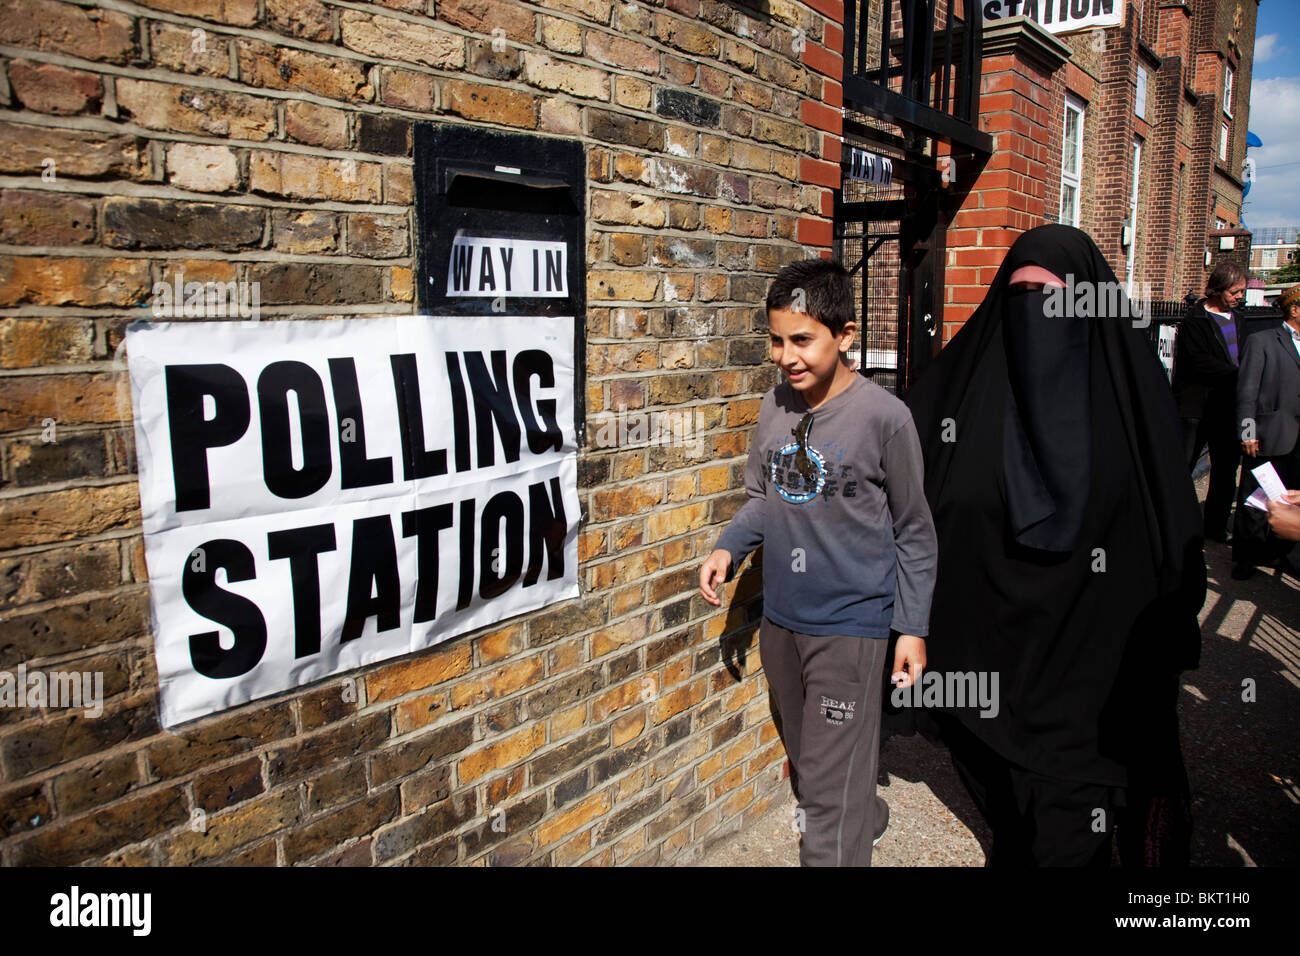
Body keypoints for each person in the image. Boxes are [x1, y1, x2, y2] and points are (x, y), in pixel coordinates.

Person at [905, 225, 1206, 866]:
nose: (1036, 315)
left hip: (1089, 681)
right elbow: (908, 511)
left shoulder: (1132, 410)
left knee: (1072, 832)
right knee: (1007, 802)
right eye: (1021, 297)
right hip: (988, 671)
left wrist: (1172, 633)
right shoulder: (962, 402)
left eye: (1055, 299)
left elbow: (1174, 530)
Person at [697, 258, 937, 867]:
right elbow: (763, 499)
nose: (786, 355)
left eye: (801, 339)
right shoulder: (775, 407)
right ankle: (866, 813)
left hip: (851, 628)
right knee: (815, 763)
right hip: (782, 622)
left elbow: (914, 529)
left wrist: (912, 627)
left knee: (827, 801)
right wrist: (730, 546)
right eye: (776, 340)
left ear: (846, 337)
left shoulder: (887, 418)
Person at [1171, 259, 1248, 542]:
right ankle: (1174, 522)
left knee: (1226, 470)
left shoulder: (1240, 320)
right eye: (1235, 291)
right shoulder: (1196, 319)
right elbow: (1198, 362)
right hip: (1196, 408)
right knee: (1184, 465)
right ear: (1218, 289)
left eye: (1242, 291)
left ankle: (1215, 527)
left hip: (1227, 406)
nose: (1240, 296)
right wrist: (1238, 373)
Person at [1231, 284, 1300, 576]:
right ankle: (1246, 557)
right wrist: (1247, 432)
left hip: (1299, 437)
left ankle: (1281, 554)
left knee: (1291, 497)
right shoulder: (1263, 341)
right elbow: (1246, 390)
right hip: (1271, 433)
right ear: (1295, 309)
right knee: (1257, 497)